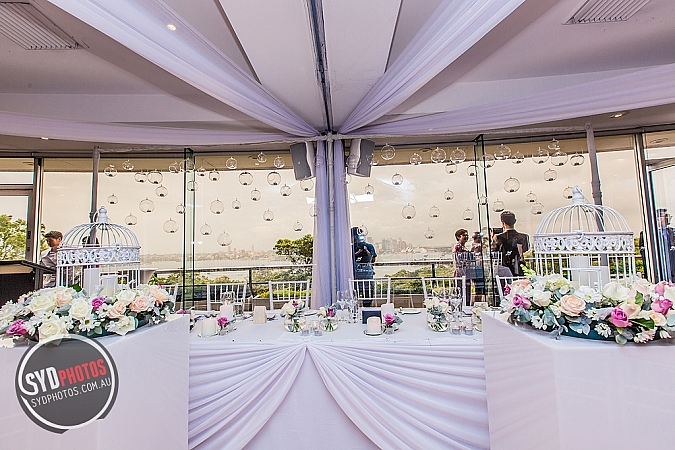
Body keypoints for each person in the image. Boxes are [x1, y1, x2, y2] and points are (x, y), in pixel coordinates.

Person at [492, 211, 530, 277]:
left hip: (504, 268)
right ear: (515, 221)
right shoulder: (524, 237)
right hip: (519, 268)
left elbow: (494, 251)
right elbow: (525, 249)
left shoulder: (498, 237)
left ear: (502, 222)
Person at [352, 227, 377, 306]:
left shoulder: (349, 248)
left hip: (354, 279)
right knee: (367, 303)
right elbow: (373, 260)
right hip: (367, 279)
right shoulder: (369, 246)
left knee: (352, 303)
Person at [656, 208, 675, 281]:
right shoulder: (651, 233)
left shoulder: (672, 231)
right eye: (665, 216)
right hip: (662, 271)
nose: (667, 218)